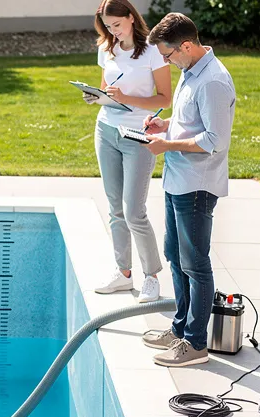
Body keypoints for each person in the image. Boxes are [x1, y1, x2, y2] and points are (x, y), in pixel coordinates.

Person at [140, 12, 236, 367]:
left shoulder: (212, 81)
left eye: (168, 55)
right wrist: (164, 124)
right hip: (177, 179)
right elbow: (190, 122)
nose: (166, 62)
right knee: (175, 257)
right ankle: (180, 330)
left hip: (196, 185)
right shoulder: (190, 72)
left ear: (186, 45)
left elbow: (215, 140)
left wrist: (166, 146)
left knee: (195, 264)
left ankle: (195, 344)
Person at [87, 0, 171, 304]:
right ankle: (123, 274)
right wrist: (96, 98)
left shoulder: (152, 51)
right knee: (115, 209)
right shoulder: (106, 49)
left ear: (131, 19)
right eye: (107, 27)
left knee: (135, 210)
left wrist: (127, 97)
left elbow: (165, 97)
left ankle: (151, 277)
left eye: (117, 25)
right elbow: (106, 90)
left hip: (138, 134)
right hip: (106, 130)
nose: (112, 31)